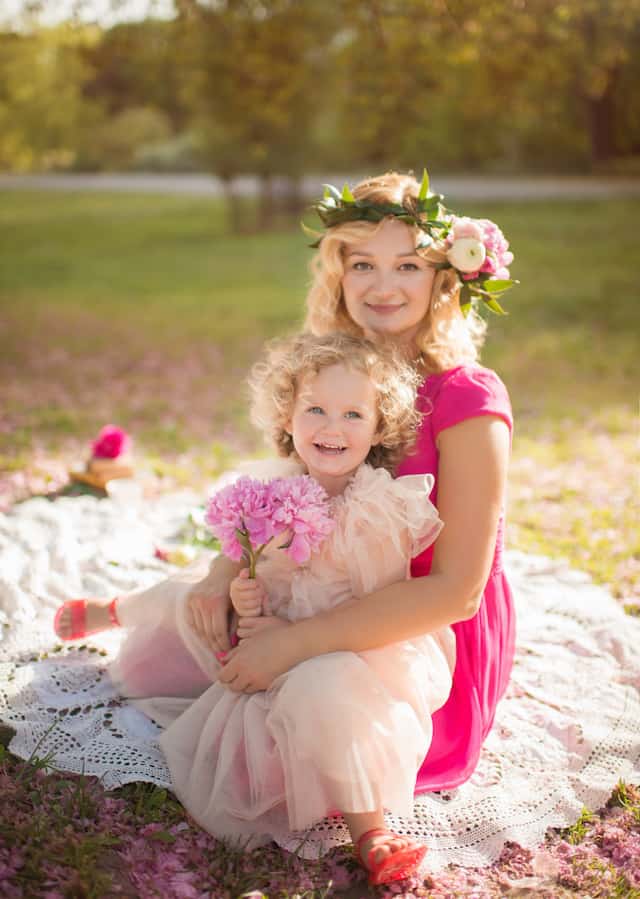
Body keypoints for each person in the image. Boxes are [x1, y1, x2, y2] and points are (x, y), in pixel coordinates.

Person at [53, 169, 515, 874]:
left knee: (315, 694)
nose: (382, 284)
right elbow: (281, 493)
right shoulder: (334, 371)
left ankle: (373, 830)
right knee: (169, 641)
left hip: (417, 626)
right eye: (362, 262)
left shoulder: (467, 397)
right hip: (319, 584)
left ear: (443, 278)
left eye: (408, 264)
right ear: (337, 273)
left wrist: (293, 644)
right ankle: (126, 609)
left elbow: (457, 592)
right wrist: (220, 572)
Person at [62, 331, 457, 885]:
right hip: (263, 632)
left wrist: (283, 631)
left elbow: (373, 612)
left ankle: (372, 831)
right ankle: (117, 609)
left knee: (328, 693)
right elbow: (243, 563)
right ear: (288, 415)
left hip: (340, 649)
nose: (331, 426)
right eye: (314, 408)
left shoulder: (378, 508)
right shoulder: (273, 488)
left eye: (352, 414)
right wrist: (243, 591)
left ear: (378, 427)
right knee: (187, 598)